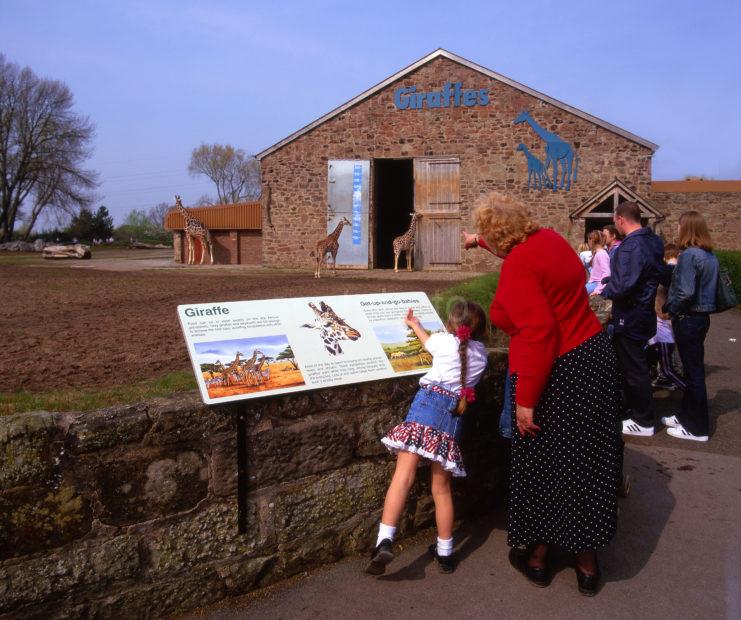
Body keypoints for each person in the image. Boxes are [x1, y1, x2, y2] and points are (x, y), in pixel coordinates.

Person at [467, 192, 621, 596]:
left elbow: (539, 333)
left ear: (499, 236)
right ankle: (587, 563)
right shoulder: (549, 240)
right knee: (589, 460)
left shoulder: (518, 264)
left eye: (488, 235)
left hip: (556, 371)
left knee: (543, 463)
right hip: (594, 357)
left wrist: (526, 400)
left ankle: (538, 556)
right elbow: (529, 263)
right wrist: (480, 242)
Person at [365, 301, 488, 576]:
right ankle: (445, 553)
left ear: (450, 325)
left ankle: (384, 540)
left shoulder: (443, 342)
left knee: (404, 475)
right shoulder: (481, 354)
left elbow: (427, 342)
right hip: (455, 415)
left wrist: (414, 325)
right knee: (441, 488)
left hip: (427, 406)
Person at [601, 201, 665, 437]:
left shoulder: (631, 246)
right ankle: (634, 411)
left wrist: (606, 290)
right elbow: (647, 274)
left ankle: (643, 420)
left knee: (633, 368)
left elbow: (624, 286)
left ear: (620, 219)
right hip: (645, 312)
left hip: (630, 314)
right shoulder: (654, 240)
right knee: (635, 365)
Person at [662, 211, 719, 442]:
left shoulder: (689, 255)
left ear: (686, 228)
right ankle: (686, 416)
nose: (676, 229)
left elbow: (685, 292)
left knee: (694, 373)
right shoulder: (709, 255)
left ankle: (697, 428)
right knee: (691, 369)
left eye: (678, 225)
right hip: (701, 318)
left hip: (688, 318)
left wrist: (670, 308)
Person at [649, 244, 685, 391]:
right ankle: (667, 377)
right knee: (673, 355)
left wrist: (662, 313)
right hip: (674, 318)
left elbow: (661, 298)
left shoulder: (666, 271)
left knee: (668, 363)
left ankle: (689, 391)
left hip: (664, 321)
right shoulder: (681, 271)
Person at [585, 230, 610, 295]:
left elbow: (607, 273)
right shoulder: (598, 253)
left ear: (592, 240)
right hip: (593, 283)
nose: (588, 242)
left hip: (597, 284)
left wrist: (598, 290)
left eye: (588, 240)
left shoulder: (601, 254)